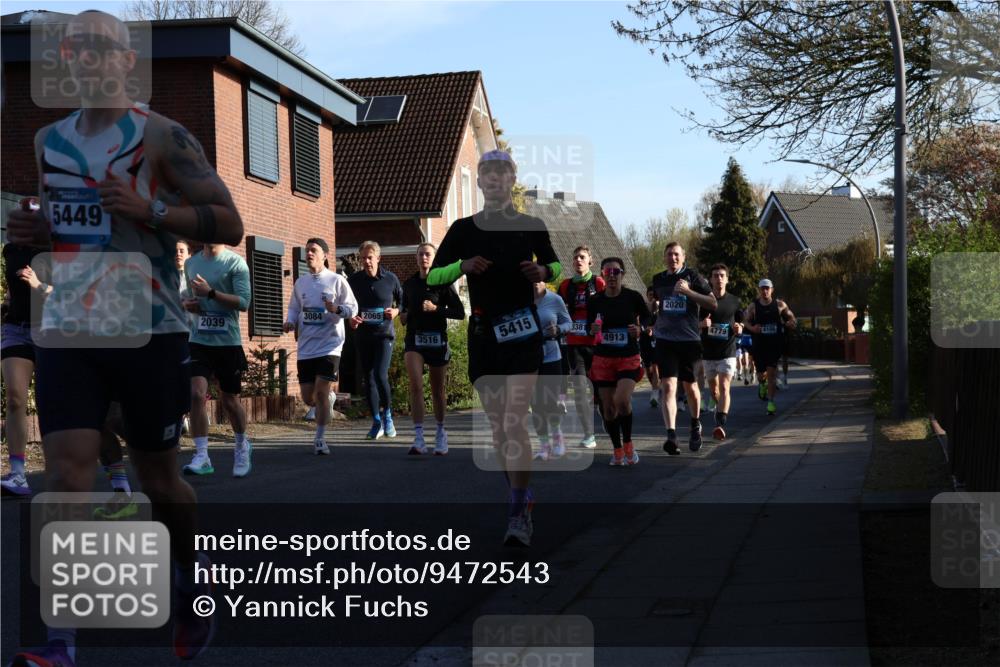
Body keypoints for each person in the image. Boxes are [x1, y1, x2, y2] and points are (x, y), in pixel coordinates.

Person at [5, 10, 244, 663]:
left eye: (97, 47)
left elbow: (231, 220)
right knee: (67, 473)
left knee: (159, 480)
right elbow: (58, 217)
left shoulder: (163, 137)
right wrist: (33, 229)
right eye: (73, 48)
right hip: (71, 328)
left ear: (123, 61)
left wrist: (154, 210)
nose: (84, 58)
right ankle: (60, 640)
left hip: (149, 330)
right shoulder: (47, 139)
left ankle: (189, 585)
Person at [427, 149, 560, 547]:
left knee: (515, 419)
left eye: (504, 173)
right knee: (501, 426)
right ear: (481, 182)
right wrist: (462, 267)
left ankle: (518, 511)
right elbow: (434, 274)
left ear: (511, 181)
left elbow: (555, 266)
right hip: (484, 332)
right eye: (489, 174)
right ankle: (522, 493)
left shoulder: (531, 224)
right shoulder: (464, 229)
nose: (496, 180)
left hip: (522, 330)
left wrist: (543, 273)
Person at [179, 242, 252, 477]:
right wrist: (189, 305)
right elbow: (191, 300)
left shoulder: (236, 263)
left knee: (230, 400)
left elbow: (243, 302)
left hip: (227, 342)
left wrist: (211, 293)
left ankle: (241, 444)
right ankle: (202, 455)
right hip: (199, 339)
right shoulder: (191, 263)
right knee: (195, 393)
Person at [284, 237, 357, 454]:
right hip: (306, 346)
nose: (309, 254)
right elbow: (294, 308)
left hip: (330, 345)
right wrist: (290, 321)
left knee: (321, 392)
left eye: (313, 250)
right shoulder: (301, 283)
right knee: (308, 397)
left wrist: (335, 309)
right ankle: (327, 400)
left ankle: (320, 438)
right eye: (307, 251)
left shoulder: (336, 281)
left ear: (325, 255)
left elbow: (352, 308)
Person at [651, 242, 717, 454]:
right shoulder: (658, 280)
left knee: (690, 387)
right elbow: (653, 307)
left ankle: (695, 423)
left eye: (676, 254)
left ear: (683, 256)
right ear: (664, 257)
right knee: (668, 386)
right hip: (665, 340)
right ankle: (671, 435)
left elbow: (712, 303)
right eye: (669, 254)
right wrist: (652, 305)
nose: (673, 258)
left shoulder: (693, 276)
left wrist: (689, 292)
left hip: (689, 341)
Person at [400, 242, 465, 456]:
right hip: (414, 340)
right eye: (420, 254)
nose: (423, 258)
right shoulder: (409, 284)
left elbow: (459, 312)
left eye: (427, 254)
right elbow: (404, 308)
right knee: (416, 385)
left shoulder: (443, 283)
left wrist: (437, 309)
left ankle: (440, 431)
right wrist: (403, 315)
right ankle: (418, 437)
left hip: (437, 341)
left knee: (438, 391)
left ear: (434, 258)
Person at [587, 258, 652, 466]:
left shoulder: (632, 297)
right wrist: (593, 329)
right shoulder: (595, 300)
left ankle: (629, 445)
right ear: (602, 274)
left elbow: (649, 318)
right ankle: (617, 450)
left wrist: (640, 329)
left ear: (622, 274)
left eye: (616, 271)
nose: (612, 275)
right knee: (608, 409)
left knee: (622, 401)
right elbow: (589, 325)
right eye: (608, 271)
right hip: (603, 358)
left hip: (628, 356)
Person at [0, 241, 47, 496]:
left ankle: (62, 471)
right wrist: (7, 300)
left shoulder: (54, 247)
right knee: (16, 397)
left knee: (50, 400)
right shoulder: (11, 250)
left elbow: (72, 293)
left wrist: (39, 284)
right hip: (16, 328)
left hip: (50, 329)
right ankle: (18, 475)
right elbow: (13, 286)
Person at [347, 241, 403, 440]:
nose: (366, 262)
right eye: (363, 258)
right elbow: (347, 305)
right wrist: (351, 319)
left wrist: (396, 311)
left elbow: (403, 302)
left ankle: (388, 415)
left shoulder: (390, 279)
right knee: (368, 380)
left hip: (384, 335)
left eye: (370, 258)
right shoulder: (354, 280)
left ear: (378, 258)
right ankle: (376, 421)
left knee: (380, 375)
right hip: (363, 336)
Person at [557, 246, 605, 448]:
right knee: (579, 388)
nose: (578, 260)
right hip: (574, 344)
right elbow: (558, 311)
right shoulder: (565, 285)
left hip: (596, 345)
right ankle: (588, 434)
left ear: (590, 261)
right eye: (575, 257)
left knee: (601, 392)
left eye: (582, 257)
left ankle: (607, 416)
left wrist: (599, 325)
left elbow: (607, 308)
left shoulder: (599, 283)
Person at [699, 264, 744, 441]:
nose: (718, 278)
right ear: (710, 279)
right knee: (714, 390)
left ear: (727, 279)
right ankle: (719, 411)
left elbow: (740, 323)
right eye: (715, 275)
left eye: (722, 275)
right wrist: (702, 325)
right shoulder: (703, 302)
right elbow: (693, 323)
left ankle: (720, 423)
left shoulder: (734, 301)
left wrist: (739, 328)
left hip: (728, 351)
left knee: (725, 386)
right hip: (708, 353)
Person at [531, 281, 572, 461]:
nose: (534, 280)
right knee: (536, 404)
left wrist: (559, 329)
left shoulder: (555, 300)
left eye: (538, 275)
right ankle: (543, 446)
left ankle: (558, 439)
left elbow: (568, 322)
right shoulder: (521, 300)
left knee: (549, 401)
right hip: (529, 357)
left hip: (551, 356)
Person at [746, 279, 797, 416]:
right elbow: (745, 321)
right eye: (762, 288)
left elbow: (792, 318)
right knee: (761, 374)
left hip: (774, 344)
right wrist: (753, 328)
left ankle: (771, 402)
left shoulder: (780, 305)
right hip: (759, 344)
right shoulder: (753, 306)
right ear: (759, 290)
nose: (765, 291)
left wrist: (791, 323)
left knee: (772, 374)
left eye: (767, 288)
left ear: (772, 290)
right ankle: (761, 384)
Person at [639, 287, 661, 409]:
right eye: (650, 295)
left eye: (654, 295)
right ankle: (655, 386)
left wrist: (653, 329)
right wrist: (643, 329)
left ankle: (654, 393)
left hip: (656, 340)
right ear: (647, 296)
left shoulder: (660, 310)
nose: (652, 297)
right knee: (648, 369)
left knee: (655, 366)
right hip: (644, 340)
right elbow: (638, 323)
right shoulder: (643, 309)